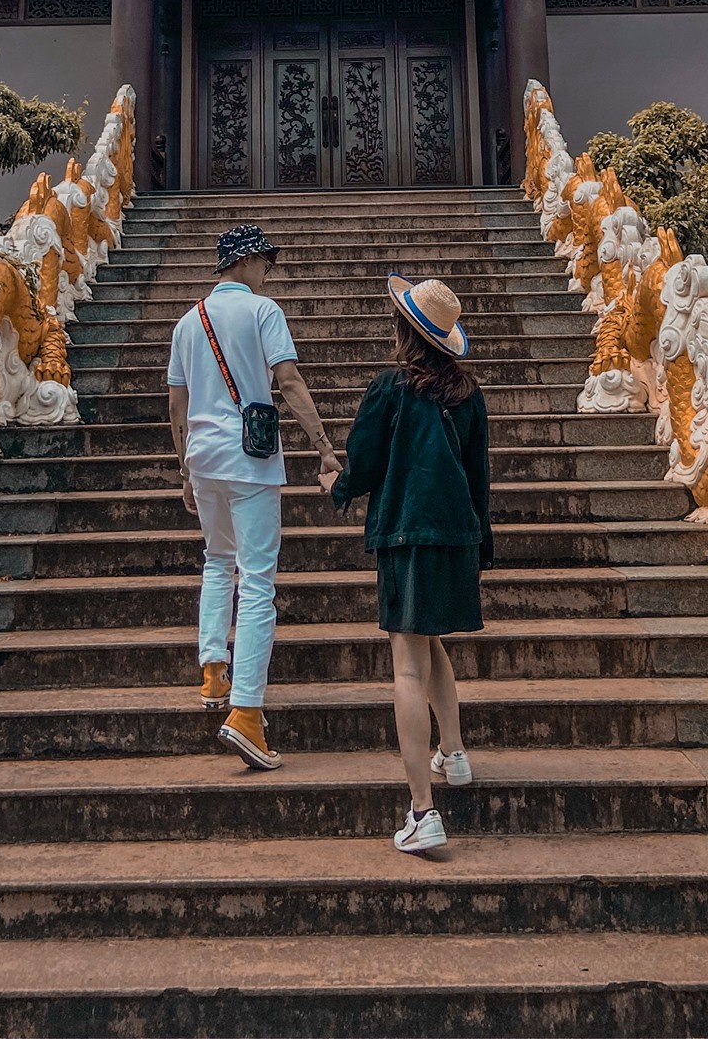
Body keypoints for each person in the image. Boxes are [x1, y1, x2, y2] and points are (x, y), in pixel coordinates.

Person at [167, 222, 341, 771]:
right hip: (251, 460)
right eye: (265, 260)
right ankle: (246, 710)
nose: (268, 270)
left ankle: (213, 667)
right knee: (259, 581)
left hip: (203, 459)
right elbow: (287, 381)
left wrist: (184, 468)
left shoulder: (188, 321)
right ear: (245, 262)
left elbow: (177, 403)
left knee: (218, 560)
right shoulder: (264, 311)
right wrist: (324, 446)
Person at [331, 275, 491, 855]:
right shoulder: (468, 394)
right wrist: (480, 546)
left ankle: (423, 810)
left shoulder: (391, 387)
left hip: (407, 533)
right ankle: (454, 750)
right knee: (430, 640)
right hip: (456, 533)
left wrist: (338, 485)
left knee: (406, 668)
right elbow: (479, 476)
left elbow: (364, 459)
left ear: (404, 330)